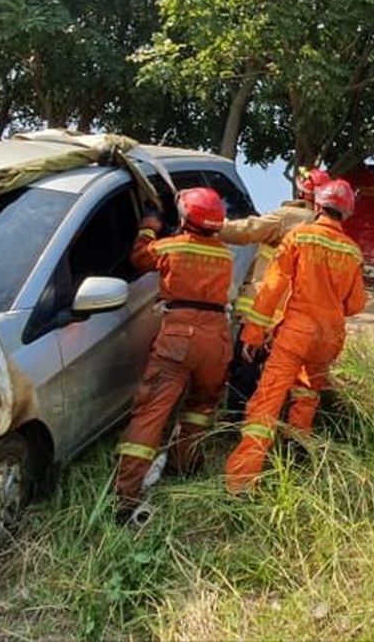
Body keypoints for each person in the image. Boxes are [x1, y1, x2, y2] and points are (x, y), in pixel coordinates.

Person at [224, 179, 366, 494]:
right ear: (347, 214)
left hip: (295, 334)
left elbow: (272, 288)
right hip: (328, 338)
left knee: (267, 400)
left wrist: (253, 332)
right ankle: (295, 454)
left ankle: (241, 481)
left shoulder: (299, 236)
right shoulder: (352, 252)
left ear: (318, 206)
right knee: (306, 394)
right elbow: (355, 305)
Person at [114, 188, 233, 523]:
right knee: (201, 406)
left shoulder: (172, 246)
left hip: (179, 337)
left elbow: (139, 258)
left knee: (152, 412)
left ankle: (127, 497)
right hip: (216, 340)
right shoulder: (224, 255)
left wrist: (149, 226)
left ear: (184, 217)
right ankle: (184, 464)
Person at [216, 167, 328, 418]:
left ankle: (234, 423)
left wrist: (211, 223)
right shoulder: (328, 234)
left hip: (262, 311)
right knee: (277, 378)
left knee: (245, 370)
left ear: (302, 190)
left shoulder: (291, 216)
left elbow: (247, 230)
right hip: (296, 321)